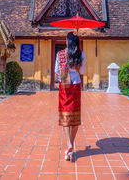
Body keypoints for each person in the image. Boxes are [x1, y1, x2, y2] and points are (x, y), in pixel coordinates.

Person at [55, 32, 86, 161]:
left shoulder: (60, 54)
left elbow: (56, 71)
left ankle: (68, 144)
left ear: (68, 41)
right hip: (76, 84)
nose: (65, 41)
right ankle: (71, 145)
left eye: (66, 40)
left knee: (65, 116)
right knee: (75, 116)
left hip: (65, 85)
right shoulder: (81, 54)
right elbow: (82, 71)